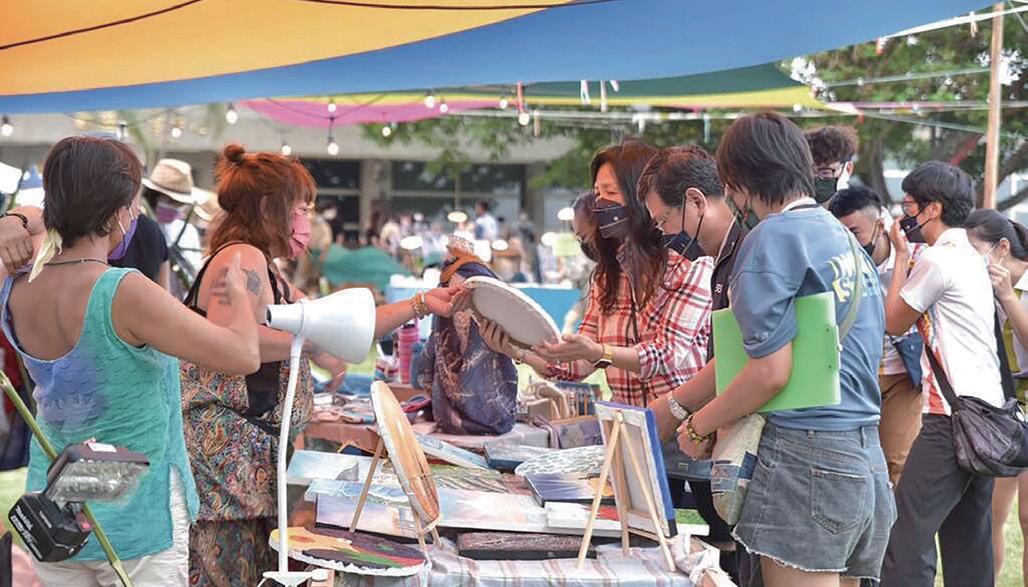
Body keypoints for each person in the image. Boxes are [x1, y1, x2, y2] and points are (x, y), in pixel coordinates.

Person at [183, 145, 466, 585]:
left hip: (247, 470)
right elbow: (229, 342)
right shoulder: (241, 259)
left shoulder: (267, 268)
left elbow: (346, 323)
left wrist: (422, 303)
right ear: (269, 208)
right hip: (226, 471)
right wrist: (308, 343)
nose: (307, 222)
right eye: (302, 209)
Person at [0, 135, 260, 586]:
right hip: (135, 510)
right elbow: (242, 355)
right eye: (133, 203)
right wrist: (240, 296)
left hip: (56, 509)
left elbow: (39, 219)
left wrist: (15, 219)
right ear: (118, 211)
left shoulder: (16, 286)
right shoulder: (123, 291)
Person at [674, 113, 892, 587]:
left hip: (806, 458)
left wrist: (697, 424)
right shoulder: (843, 238)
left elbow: (770, 371)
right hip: (864, 454)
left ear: (736, 179)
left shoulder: (771, 238)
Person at [482, 140, 713, 408]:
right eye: (597, 193)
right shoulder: (608, 276)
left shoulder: (690, 265)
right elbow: (576, 364)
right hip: (627, 423)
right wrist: (516, 350)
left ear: (645, 196)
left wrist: (601, 352)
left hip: (683, 423)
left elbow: (667, 354)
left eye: (611, 192)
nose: (601, 202)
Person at [880, 161, 1004, 587]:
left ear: (931, 209)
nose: (903, 215)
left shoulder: (939, 258)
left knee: (906, 534)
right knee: (968, 537)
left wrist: (900, 255)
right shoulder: (970, 255)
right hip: (986, 418)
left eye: (908, 205)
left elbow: (893, 321)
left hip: (950, 420)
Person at [636, 144, 747, 579]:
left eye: (664, 221)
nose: (664, 235)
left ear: (696, 201)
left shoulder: (750, 255)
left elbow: (759, 363)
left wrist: (687, 414)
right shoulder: (723, 259)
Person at [829, 186, 924, 485]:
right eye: (841, 234)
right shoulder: (837, 264)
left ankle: (893, 518)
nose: (848, 242)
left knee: (897, 462)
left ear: (880, 225)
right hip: (854, 374)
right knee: (849, 462)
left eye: (854, 232)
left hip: (901, 376)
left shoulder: (915, 259)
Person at [964, 208, 1028, 585]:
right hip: (1005, 408)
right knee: (990, 516)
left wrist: (1007, 297)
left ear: (1002, 248)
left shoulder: (1009, 290)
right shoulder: (980, 290)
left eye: (975, 251)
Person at [140, 159, 205, 274]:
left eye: (180, 204)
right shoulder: (137, 229)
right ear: (153, 197)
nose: (175, 208)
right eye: (170, 201)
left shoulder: (188, 232)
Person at [804, 125, 858, 206]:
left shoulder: (862, 210)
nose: (816, 180)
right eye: (809, 173)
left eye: (825, 173)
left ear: (848, 169)